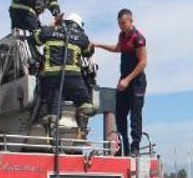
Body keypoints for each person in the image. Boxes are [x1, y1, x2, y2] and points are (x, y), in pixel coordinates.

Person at [93, 9, 147, 156]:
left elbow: (143, 63)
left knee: (135, 116)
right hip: (123, 81)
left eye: (123, 23)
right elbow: (118, 48)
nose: (121, 26)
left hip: (136, 82)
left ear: (131, 21)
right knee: (120, 115)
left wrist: (127, 80)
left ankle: (135, 147)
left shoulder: (138, 38)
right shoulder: (122, 36)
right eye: (119, 24)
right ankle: (124, 147)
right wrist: (99, 45)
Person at [32, 13, 95, 130]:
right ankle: (84, 106)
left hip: (50, 76)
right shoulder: (82, 37)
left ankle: (53, 116)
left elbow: (35, 37)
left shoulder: (49, 31)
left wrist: (53, 23)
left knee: (55, 97)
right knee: (84, 101)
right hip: (73, 76)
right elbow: (89, 51)